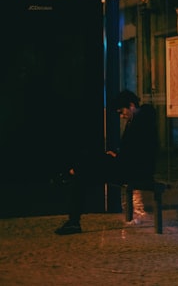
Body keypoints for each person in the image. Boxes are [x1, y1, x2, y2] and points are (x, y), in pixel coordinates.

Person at [54, 90, 158, 235]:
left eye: (122, 111)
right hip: (130, 167)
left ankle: (74, 220)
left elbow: (137, 154)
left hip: (133, 171)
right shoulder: (140, 121)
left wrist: (117, 157)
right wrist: (117, 156)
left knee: (84, 171)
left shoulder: (141, 123)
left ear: (131, 105)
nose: (122, 116)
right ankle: (76, 172)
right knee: (89, 165)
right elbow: (133, 152)